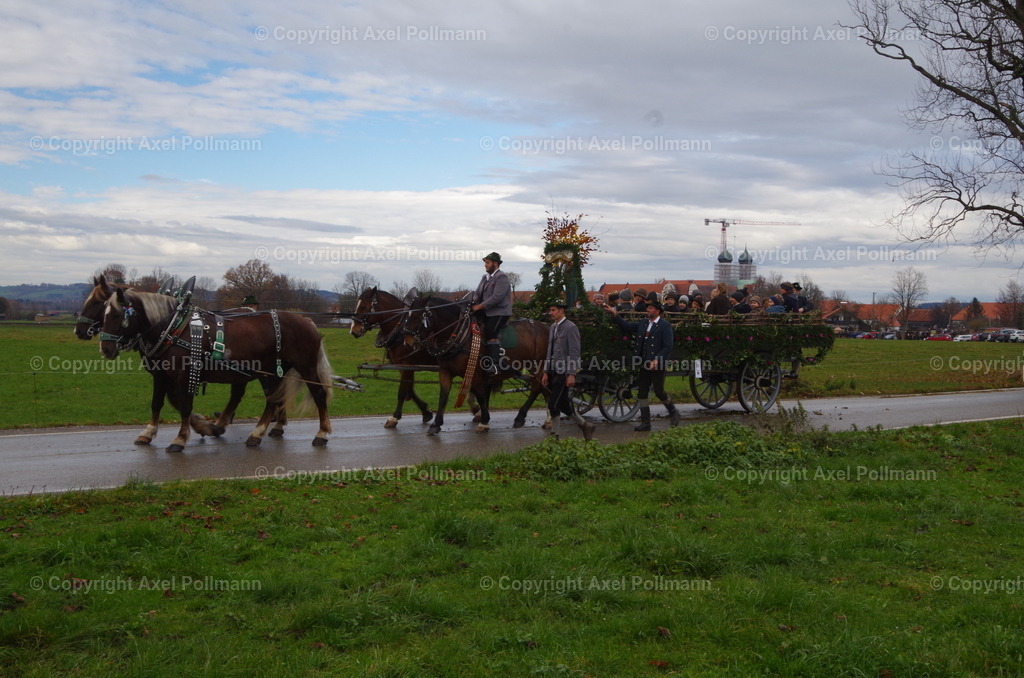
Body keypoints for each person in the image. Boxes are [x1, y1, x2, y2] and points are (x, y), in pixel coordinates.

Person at [604, 299, 680, 431]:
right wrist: (614, 314)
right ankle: (646, 422)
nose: (648, 310)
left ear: (657, 311)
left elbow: (668, 346)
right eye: (648, 308)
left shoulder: (665, 325)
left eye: (651, 308)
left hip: (657, 364)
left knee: (659, 391)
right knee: (642, 392)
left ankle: (673, 412)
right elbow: (627, 326)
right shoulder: (643, 323)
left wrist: (657, 359)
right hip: (644, 363)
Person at [541, 299, 595, 441]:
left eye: (553, 310)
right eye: (550, 310)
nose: (551, 313)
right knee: (564, 404)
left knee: (553, 404)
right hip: (553, 371)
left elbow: (574, 353)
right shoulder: (553, 327)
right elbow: (549, 351)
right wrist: (546, 371)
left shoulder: (571, 327)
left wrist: (571, 374)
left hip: (563, 372)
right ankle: (585, 425)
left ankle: (555, 435)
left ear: (561, 310)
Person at [471, 252, 513, 375]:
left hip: (500, 312)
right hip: (486, 311)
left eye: (487, 262)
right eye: (485, 262)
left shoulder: (502, 277)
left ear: (495, 263)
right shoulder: (485, 278)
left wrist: (479, 306)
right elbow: (477, 294)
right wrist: (472, 301)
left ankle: (494, 364)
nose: (485, 265)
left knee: (490, 331)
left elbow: (497, 297)